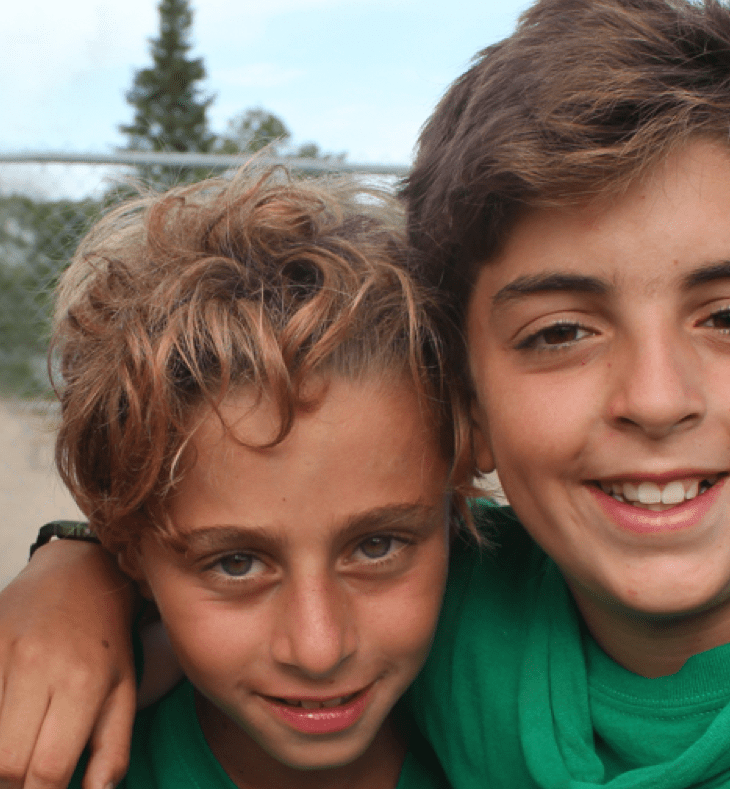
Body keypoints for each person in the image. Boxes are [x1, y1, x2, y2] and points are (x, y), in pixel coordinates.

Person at [2, 1, 730, 787]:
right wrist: (77, 571)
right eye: (560, 333)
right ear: (467, 402)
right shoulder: (439, 610)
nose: (657, 398)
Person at [31, 164, 469, 789]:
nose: (319, 650)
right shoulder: (48, 758)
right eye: (236, 563)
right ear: (128, 552)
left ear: (456, 506)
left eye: (378, 546)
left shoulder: (526, 704)